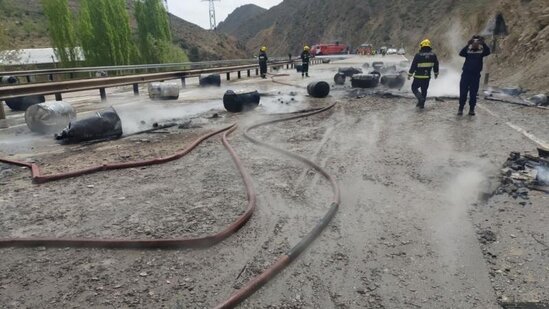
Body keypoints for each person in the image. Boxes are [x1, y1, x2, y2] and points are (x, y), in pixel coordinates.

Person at [458, 35, 491, 116]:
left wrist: (483, 43)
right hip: (466, 74)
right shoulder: (468, 50)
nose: (475, 44)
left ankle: (471, 109)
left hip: (475, 75)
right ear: (471, 43)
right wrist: (468, 44)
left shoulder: (481, 51)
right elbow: (461, 53)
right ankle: (460, 108)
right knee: (463, 93)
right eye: (474, 42)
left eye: (477, 42)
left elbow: (488, 52)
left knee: (473, 93)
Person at [408, 39, 439, 109]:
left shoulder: (418, 55)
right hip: (427, 77)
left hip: (418, 77)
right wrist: (436, 73)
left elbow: (413, 66)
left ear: (422, 46)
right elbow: (436, 65)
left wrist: (410, 74)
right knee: (424, 90)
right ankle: (421, 105)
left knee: (414, 88)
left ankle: (420, 99)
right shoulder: (433, 55)